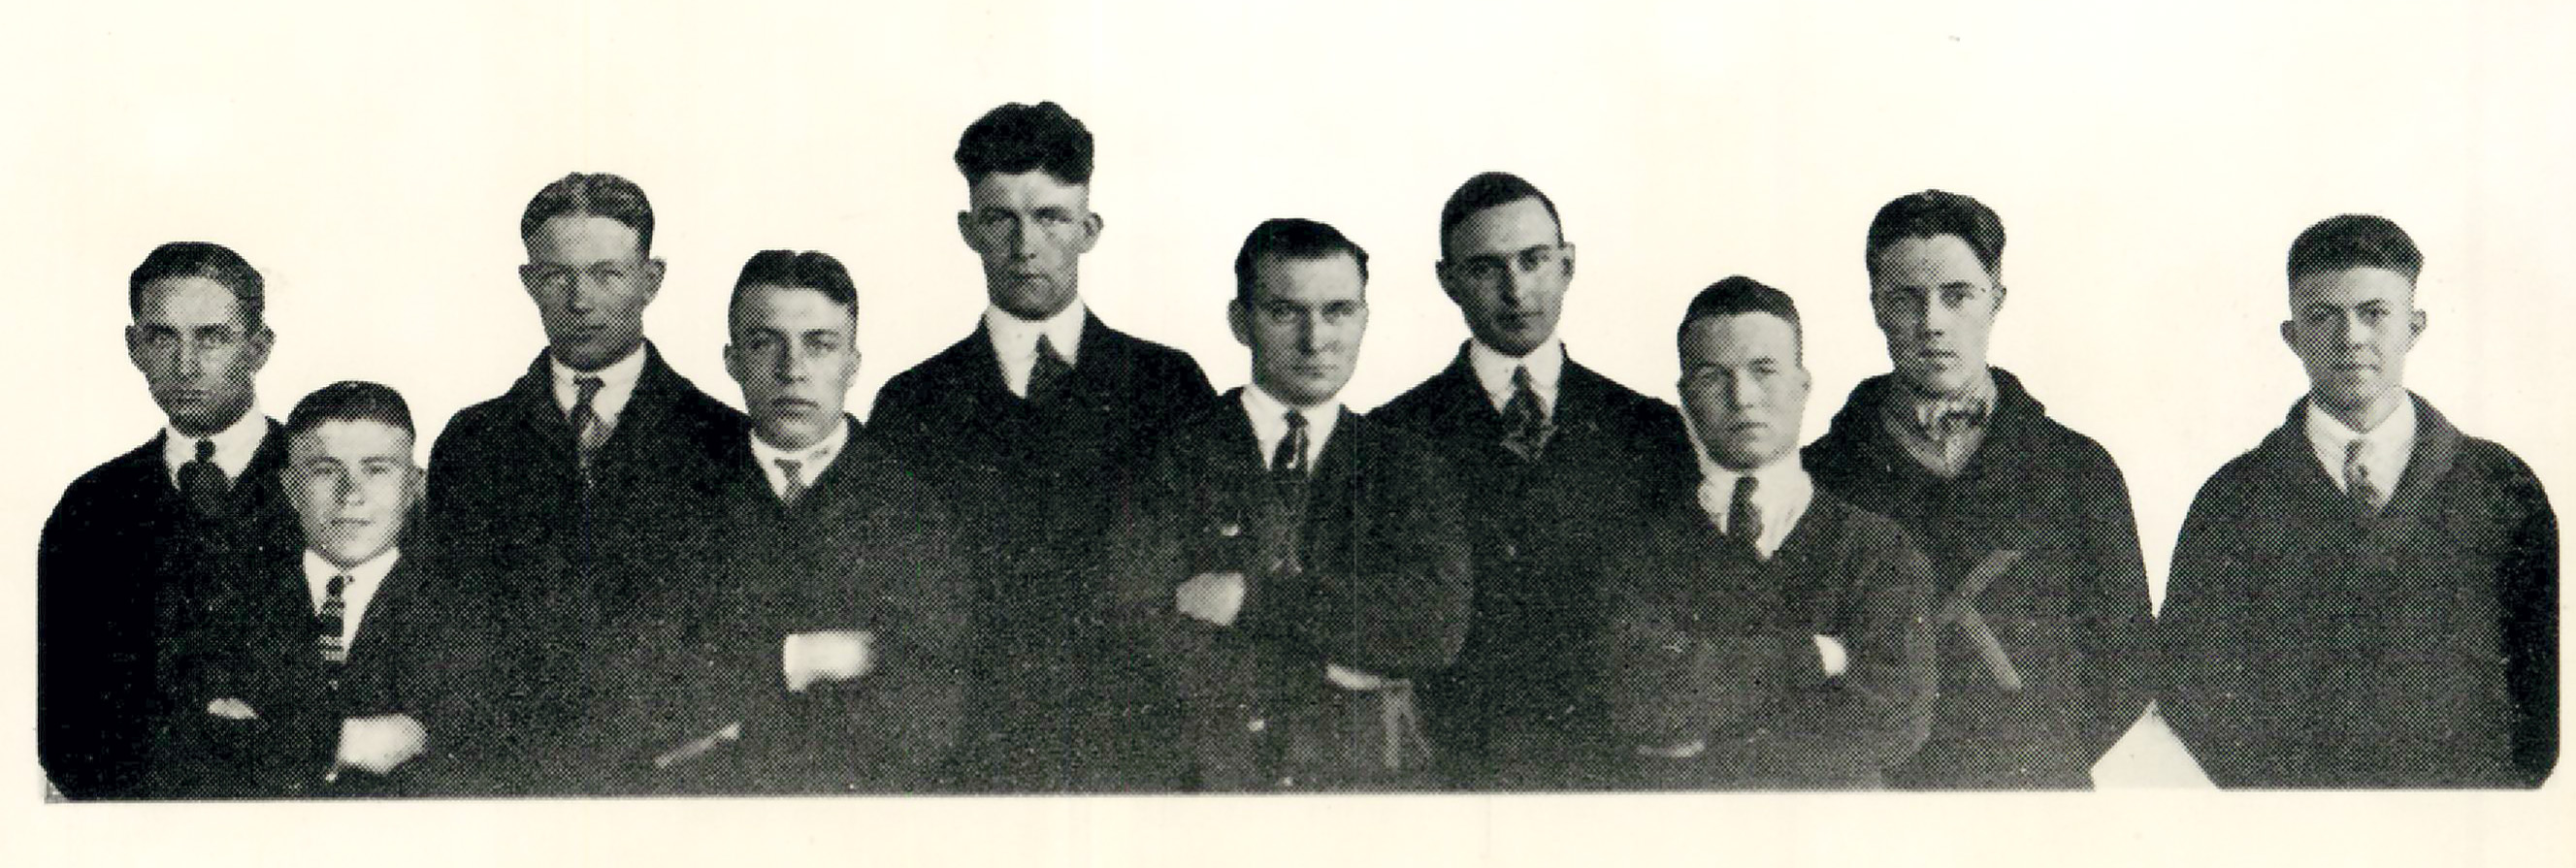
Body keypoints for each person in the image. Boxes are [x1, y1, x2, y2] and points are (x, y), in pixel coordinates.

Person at [867, 101, 1216, 791]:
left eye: (1051, 217)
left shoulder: (1168, 386)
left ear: (1089, 229)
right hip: (968, 759)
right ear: (969, 230)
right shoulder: (912, 404)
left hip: (1141, 752)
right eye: (1001, 218)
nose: (1025, 245)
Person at [2159, 214, 2558, 788]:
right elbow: (2191, 692)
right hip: (2294, 822)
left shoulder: (2501, 487)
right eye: (2324, 316)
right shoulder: (2234, 500)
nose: (2351, 338)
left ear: (2414, 327)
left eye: (2374, 313)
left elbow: (2544, 697)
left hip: (2459, 819)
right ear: (2292, 336)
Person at [1801, 190, 2152, 788]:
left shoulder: (2077, 469)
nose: (1932, 322)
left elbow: (2127, 662)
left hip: (2036, 797)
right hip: (1878, 807)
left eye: (1957, 295)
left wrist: (2040, 755)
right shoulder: (1820, 478)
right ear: (1876, 307)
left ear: (1997, 300)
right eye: (1906, 298)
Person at [1107, 218, 1473, 791]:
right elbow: (1135, 623)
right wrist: (1331, 667)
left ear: (1364, 318)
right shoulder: (1173, 455)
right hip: (1212, 784)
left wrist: (1246, 598)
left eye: (1338, 311)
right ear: (1240, 322)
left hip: (1370, 789)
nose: (1315, 339)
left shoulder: (1406, 463)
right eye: (1285, 312)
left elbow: (1435, 626)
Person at [591, 250, 971, 794]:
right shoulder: (670, 500)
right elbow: (637, 688)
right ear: (731, 361)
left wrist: (737, 707)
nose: (792, 369)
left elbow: (926, 714)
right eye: (764, 343)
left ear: (853, 364)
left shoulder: (913, 507)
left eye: (820, 344)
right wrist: (806, 657)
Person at [419, 172, 743, 792]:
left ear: (652, 280)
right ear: (528, 282)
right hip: (508, 779)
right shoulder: (473, 441)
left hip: (674, 779)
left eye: (607, 274)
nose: (580, 300)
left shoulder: (723, 440)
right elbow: (448, 631)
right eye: (556, 276)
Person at [1372, 173, 1695, 788]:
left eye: (1534, 260)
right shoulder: (1393, 436)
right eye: (1485, 269)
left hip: (1619, 760)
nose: (1516, 290)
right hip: (1458, 761)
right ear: (1447, 281)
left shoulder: (1649, 428)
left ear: (1567, 265)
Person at [1595, 276, 1937, 789]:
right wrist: (1818, 656)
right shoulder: (1641, 550)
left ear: (1803, 386)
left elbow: (1897, 723)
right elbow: (1640, 704)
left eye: (1764, 370)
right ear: (1686, 398)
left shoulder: (1877, 547)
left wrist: (1708, 719)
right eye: (1714, 377)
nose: (1743, 397)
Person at [38, 241, 303, 799]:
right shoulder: (91, 507)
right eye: (162, 337)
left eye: (212, 337)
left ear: (259, 348)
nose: (186, 366)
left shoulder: (328, 487)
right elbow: (62, 725)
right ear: (134, 348)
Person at [153, 382, 493, 798]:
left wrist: (263, 738)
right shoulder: (225, 602)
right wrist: (341, 742)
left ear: (412, 488)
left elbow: (475, 764)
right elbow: (181, 750)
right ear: (291, 489)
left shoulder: (467, 612)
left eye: (377, 470)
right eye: (325, 471)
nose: (350, 495)